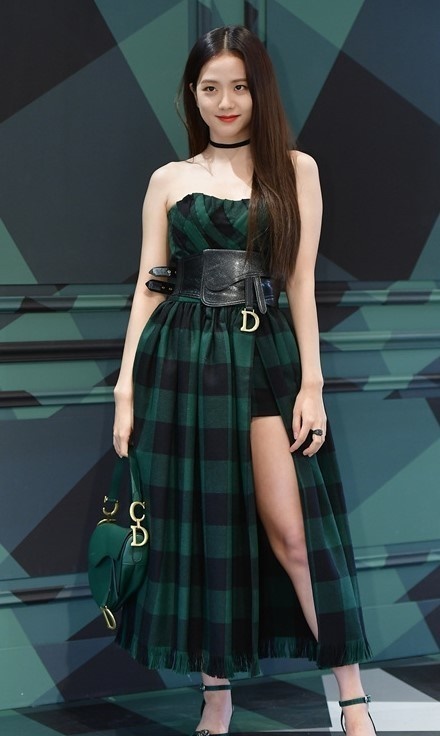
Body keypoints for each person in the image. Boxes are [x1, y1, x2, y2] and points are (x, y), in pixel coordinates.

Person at [112, 25, 377, 736]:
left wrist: (312, 383)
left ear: (259, 91)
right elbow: (151, 285)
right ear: (192, 94)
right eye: (210, 88)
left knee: (293, 534)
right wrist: (126, 386)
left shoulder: (296, 169)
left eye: (238, 87)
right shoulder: (169, 180)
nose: (225, 102)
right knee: (207, 529)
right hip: (181, 362)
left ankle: (353, 699)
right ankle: (217, 696)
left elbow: (300, 281)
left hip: (264, 356)